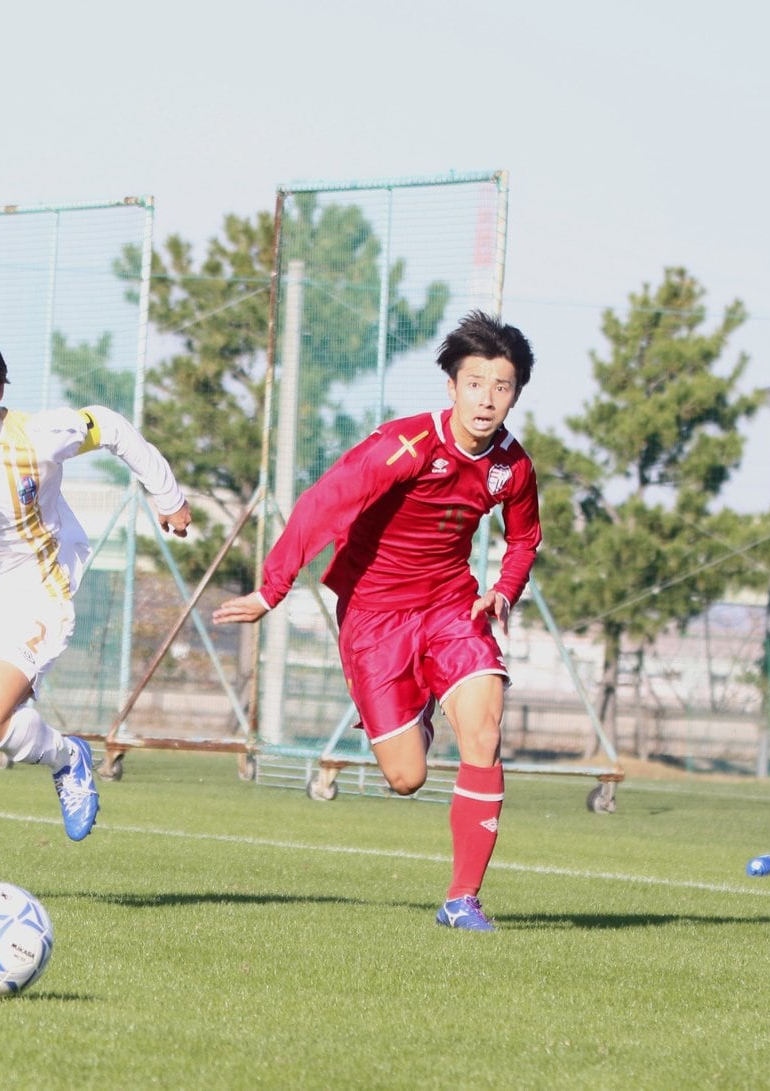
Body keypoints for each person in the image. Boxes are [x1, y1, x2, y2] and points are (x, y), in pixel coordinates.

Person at [213, 311, 540, 932]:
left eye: (502, 386)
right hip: (376, 618)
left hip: (452, 607)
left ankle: (462, 898)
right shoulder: (405, 445)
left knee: (486, 731)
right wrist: (270, 590)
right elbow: (321, 505)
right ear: (452, 386)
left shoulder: (513, 467)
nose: (487, 398)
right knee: (406, 777)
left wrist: (503, 589)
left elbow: (525, 538)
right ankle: (414, 707)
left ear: (516, 393)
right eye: (476, 383)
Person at [0, 322, 191, 899]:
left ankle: (68, 757)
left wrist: (167, 496)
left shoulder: (38, 435)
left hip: (34, 592)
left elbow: (112, 427)